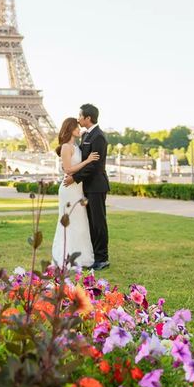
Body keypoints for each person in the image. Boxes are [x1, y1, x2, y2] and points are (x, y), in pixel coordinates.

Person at [64, 103, 110, 271]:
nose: (78, 119)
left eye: (80, 116)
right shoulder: (86, 135)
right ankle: (96, 256)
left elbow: (94, 166)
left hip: (96, 186)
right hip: (88, 187)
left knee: (98, 223)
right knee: (91, 222)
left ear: (88, 118)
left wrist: (74, 178)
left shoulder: (98, 136)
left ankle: (102, 258)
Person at [52, 117, 99, 270]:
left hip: (77, 189)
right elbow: (68, 169)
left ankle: (81, 258)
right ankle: (67, 258)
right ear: (70, 128)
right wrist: (87, 161)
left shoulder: (76, 146)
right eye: (77, 127)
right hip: (69, 190)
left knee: (80, 222)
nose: (80, 129)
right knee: (69, 223)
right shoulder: (66, 147)